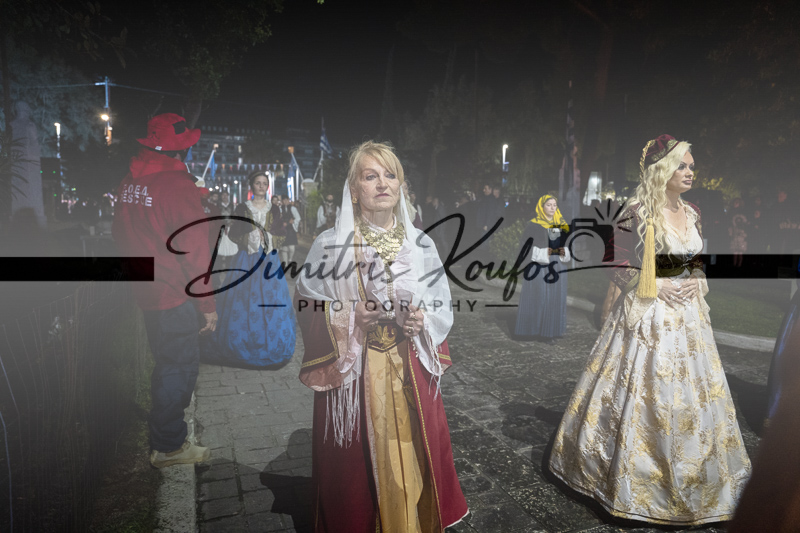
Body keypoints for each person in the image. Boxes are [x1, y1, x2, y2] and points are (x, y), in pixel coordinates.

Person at [548, 135, 751, 525]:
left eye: (692, 166)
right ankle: (633, 475)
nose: (690, 172)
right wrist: (654, 284)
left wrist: (696, 278)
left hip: (689, 318)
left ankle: (699, 474)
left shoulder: (693, 212)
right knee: (641, 394)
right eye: (682, 166)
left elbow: (695, 259)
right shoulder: (636, 211)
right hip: (649, 314)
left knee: (695, 397)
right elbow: (613, 261)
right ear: (662, 170)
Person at [295, 141, 468, 531]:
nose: (382, 184)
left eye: (390, 175)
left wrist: (421, 320)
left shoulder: (420, 244)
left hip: (408, 365)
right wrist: (349, 314)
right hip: (357, 370)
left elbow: (440, 301)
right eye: (370, 176)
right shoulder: (331, 244)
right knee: (356, 468)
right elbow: (306, 301)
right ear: (354, 190)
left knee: (413, 452)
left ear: (401, 186)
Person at [112, 113, 216, 468]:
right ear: (181, 148)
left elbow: (120, 232)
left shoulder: (130, 180)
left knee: (166, 362)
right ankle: (169, 446)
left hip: (148, 289)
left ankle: (166, 437)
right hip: (174, 293)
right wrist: (207, 305)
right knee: (178, 367)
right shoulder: (176, 185)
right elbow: (194, 251)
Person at [202, 172, 296, 367]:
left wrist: (267, 238)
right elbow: (234, 233)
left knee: (270, 299)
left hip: (268, 259)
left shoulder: (274, 209)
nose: (261, 186)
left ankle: (269, 341)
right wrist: (250, 237)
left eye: (264, 183)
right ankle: (241, 341)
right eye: (258, 183)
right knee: (242, 298)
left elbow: (282, 233)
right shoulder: (242, 208)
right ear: (251, 185)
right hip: (246, 259)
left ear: (267, 186)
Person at [514, 195, 571, 342]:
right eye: (549, 205)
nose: (552, 208)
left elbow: (567, 244)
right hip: (540, 266)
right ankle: (531, 329)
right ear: (541, 206)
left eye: (554, 205)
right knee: (540, 297)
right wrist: (543, 252)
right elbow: (524, 248)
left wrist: (564, 251)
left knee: (555, 298)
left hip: (558, 265)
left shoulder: (561, 224)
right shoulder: (533, 225)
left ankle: (550, 332)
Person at [280, 195, 301, 263]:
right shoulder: (280, 209)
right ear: (282, 201)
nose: (285, 201)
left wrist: (293, 221)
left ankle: (290, 259)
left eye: (286, 200)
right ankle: (285, 264)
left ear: (288, 200)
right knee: (284, 248)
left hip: (291, 230)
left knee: (291, 247)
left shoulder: (293, 208)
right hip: (283, 230)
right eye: (284, 200)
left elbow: (298, 217)